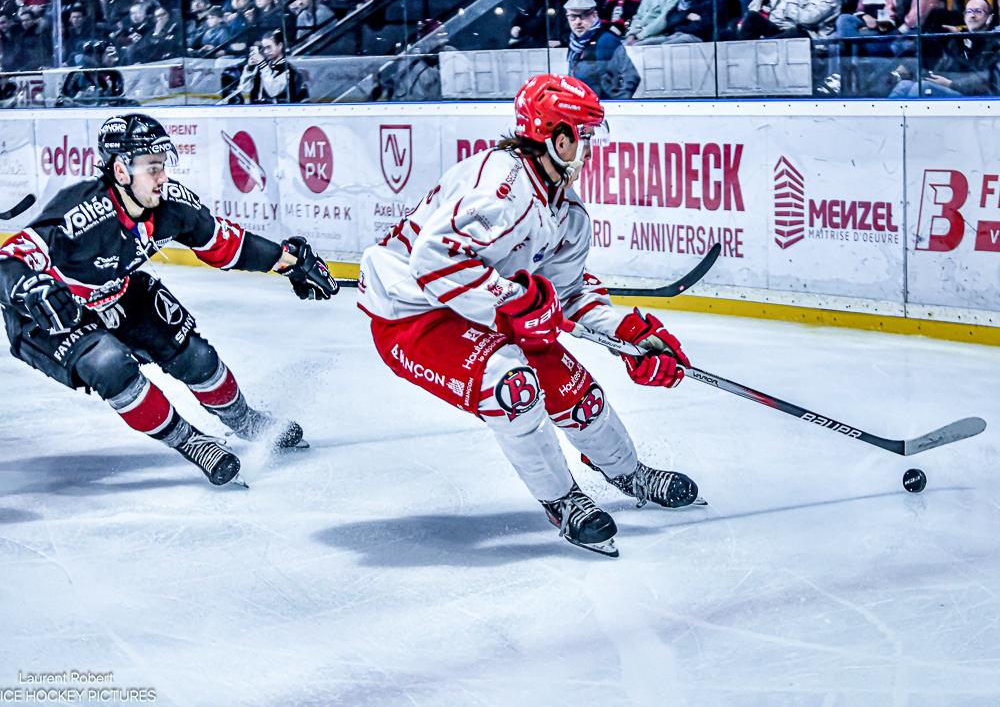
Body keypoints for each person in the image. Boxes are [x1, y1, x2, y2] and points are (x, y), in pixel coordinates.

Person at [356, 74, 700, 557]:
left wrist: (628, 335)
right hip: (412, 315)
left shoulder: (568, 212)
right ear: (557, 138)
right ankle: (563, 501)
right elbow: (432, 261)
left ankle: (629, 473)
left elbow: (567, 295)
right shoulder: (502, 188)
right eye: (584, 136)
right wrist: (512, 299)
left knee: (575, 394)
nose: (590, 149)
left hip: (480, 308)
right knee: (513, 386)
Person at [0, 114, 340, 486]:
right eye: (152, 168)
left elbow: (226, 244)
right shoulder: (81, 212)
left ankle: (244, 420)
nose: (162, 177)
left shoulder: (171, 205)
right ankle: (191, 442)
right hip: (50, 315)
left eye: (163, 165)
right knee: (110, 365)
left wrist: (289, 262)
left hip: (117, 291)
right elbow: (10, 260)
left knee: (198, 357)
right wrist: (31, 289)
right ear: (121, 171)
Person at [889, 0, 1000, 96]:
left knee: (923, 88)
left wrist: (951, 84)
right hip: (955, 86)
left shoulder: (995, 43)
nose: (972, 16)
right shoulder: (961, 40)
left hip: (979, 97)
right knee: (904, 85)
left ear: (989, 18)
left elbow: (987, 79)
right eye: (969, 11)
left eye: (978, 11)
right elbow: (948, 67)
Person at [564, 0, 641, 99]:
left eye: (584, 15)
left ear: (594, 15)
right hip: (582, 104)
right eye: (573, 17)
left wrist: (618, 103)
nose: (578, 22)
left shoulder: (607, 40)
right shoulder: (574, 44)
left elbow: (631, 76)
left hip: (602, 105)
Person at [239, 29, 309, 103]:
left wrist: (263, 66)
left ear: (280, 46)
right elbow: (244, 90)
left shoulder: (288, 69)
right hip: (258, 107)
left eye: (269, 47)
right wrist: (249, 69)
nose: (266, 51)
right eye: (264, 48)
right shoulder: (262, 67)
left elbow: (273, 92)